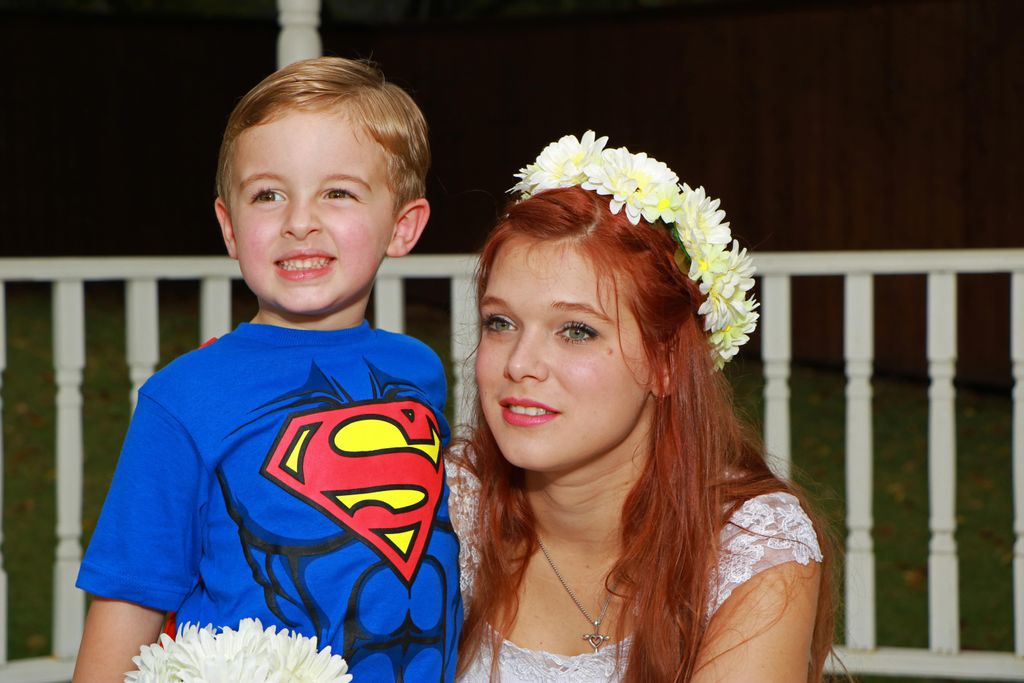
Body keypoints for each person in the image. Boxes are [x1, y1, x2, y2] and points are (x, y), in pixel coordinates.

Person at [73, 57, 461, 682]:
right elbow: (130, 600)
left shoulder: (418, 369)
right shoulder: (183, 398)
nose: (298, 221)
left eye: (337, 192)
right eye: (267, 195)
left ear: (404, 225)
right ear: (230, 227)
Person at [448, 132, 834, 681]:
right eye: (500, 323)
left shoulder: (752, 549)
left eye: (576, 330)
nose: (520, 364)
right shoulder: (444, 507)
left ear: (667, 363)